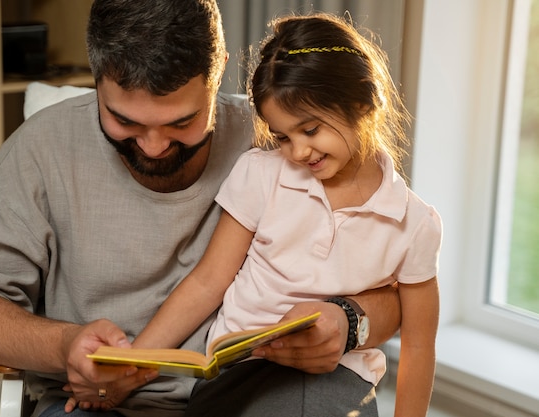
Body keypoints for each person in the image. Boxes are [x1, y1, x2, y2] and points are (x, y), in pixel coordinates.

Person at [0, 2, 401, 417]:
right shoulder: (42, 148)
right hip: (94, 402)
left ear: (218, 72)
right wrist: (63, 345)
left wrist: (350, 320)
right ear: (96, 78)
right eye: (124, 121)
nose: (155, 147)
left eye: (183, 121)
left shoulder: (280, 140)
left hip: (251, 391)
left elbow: (398, 292)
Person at [133, 12, 442, 417]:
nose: (297, 152)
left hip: (339, 378)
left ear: (362, 103)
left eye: (310, 130)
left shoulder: (414, 223)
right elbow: (208, 281)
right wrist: (135, 362)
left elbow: (419, 344)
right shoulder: (261, 174)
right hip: (242, 369)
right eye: (282, 136)